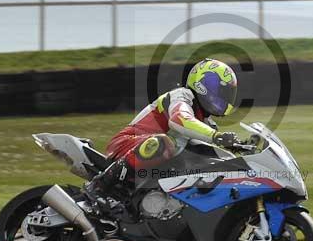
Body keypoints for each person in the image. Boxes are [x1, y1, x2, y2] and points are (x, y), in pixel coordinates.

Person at [89, 58, 239, 194]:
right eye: (220, 90)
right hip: (127, 143)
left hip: (154, 162)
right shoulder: (182, 96)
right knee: (164, 143)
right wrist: (216, 137)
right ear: (202, 83)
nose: (222, 96)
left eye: (226, 93)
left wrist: (236, 148)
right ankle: (101, 184)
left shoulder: (208, 124)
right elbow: (179, 119)